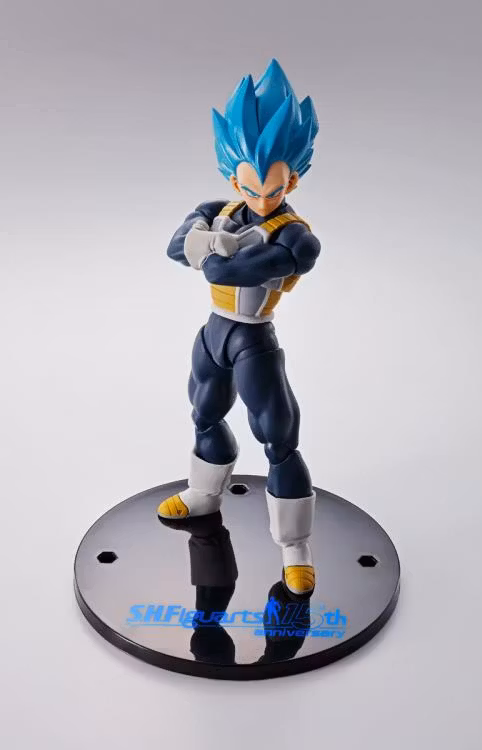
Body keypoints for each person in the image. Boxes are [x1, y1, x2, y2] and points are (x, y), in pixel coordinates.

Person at [157, 59, 321, 597]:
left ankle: (295, 549)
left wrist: (208, 248)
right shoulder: (218, 208)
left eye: (272, 188)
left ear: (291, 179)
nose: (261, 199)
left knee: (278, 437)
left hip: (254, 337)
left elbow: (227, 270)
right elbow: (174, 247)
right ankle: (204, 494)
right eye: (250, 187)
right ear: (234, 178)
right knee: (204, 412)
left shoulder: (296, 236)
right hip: (214, 334)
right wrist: (206, 239)